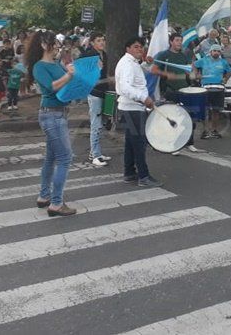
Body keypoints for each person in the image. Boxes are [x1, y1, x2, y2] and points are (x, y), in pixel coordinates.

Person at [27, 30, 77, 216]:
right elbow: (52, 86)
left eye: (57, 43)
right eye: (54, 43)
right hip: (52, 115)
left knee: (51, 158)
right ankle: (56, 203)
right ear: (43, 45)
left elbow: (67, 83)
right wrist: (69, 76)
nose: (57, 46)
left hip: (59, 113)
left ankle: (44, 196)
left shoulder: (56, 63)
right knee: (65, 158)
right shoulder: (39, 67)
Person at [116, 37, 163, 188]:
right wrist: (144, 98)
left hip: (131, 108)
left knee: (131, 142)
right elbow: (125, 87)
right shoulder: (128, 64)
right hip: (133, 109)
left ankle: (129, 173)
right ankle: (143, 176)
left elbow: (135, 77)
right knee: (139, 144)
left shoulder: (131, 63)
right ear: (127, 48)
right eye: (136, 47)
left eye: (141, 47)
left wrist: (146, 63)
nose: (140, 49)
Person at [152, 32, 201, 155]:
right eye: (177, 40)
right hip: (170, 90)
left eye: (180, 40)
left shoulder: (184, 56)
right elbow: (153, 69)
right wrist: (166, 74)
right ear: (171, 42)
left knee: (189, 117)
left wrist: (194, 75)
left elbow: (189, 70)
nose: (179, 42)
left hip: (185, 89)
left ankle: (189, 143)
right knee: (173, 119)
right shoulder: (163, 55)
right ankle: (174, 144)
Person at [81, 31, 112, 167]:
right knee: (95, 123)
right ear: (92, 42)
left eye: (103, 40)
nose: (102, 42)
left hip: (103, 91)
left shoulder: (104, 54)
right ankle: (95, 155)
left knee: (101, 123)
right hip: (94, 92)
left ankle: (96, 151)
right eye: (98, 40)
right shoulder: (89, 54)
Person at [193, 44, 231, 139]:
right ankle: (205, 131)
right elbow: (194, 64)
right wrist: (196, 74)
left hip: (219, 89)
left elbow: (229, 71)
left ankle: (214, 130)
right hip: (206, 89)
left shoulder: (223, 62)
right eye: (214, 51)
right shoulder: (204, 60)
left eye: (218, 51)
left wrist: (225, 79)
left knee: (216, 111)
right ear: (210, 52)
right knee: (205, 111)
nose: (216, 53)